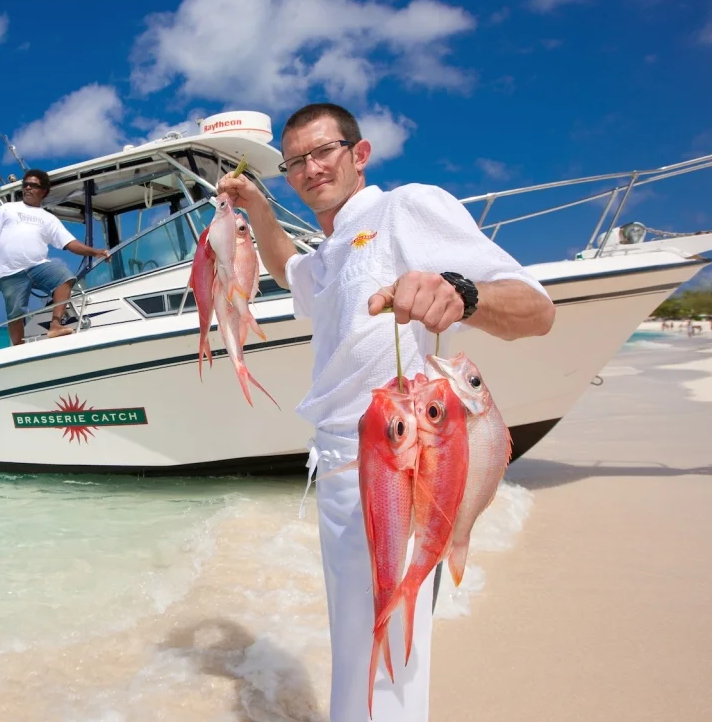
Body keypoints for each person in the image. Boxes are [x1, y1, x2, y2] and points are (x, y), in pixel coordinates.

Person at [216, 102, 555, 722]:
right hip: (341, 465)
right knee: (357, 641)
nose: (311, 168)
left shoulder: (405, 208)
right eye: (296, 162)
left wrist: (463, 294)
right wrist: (257, 207)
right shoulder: (333, 249)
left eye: (324, 151)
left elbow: (537, 309)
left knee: (393, 650)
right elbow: (286, 269)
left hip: (400, 461)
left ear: (359, 153)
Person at [0, 168, 109, 346]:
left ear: (44, 191)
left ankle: (55, 325)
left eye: (33, 185)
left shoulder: (49, 218)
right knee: (15, 314)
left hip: (38, 266)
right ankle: (18, 350)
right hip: (9, 272)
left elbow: (70, 243)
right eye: (26, 184)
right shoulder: (7, 209)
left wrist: (95, 252)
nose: (28, 188)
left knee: (65, 277)